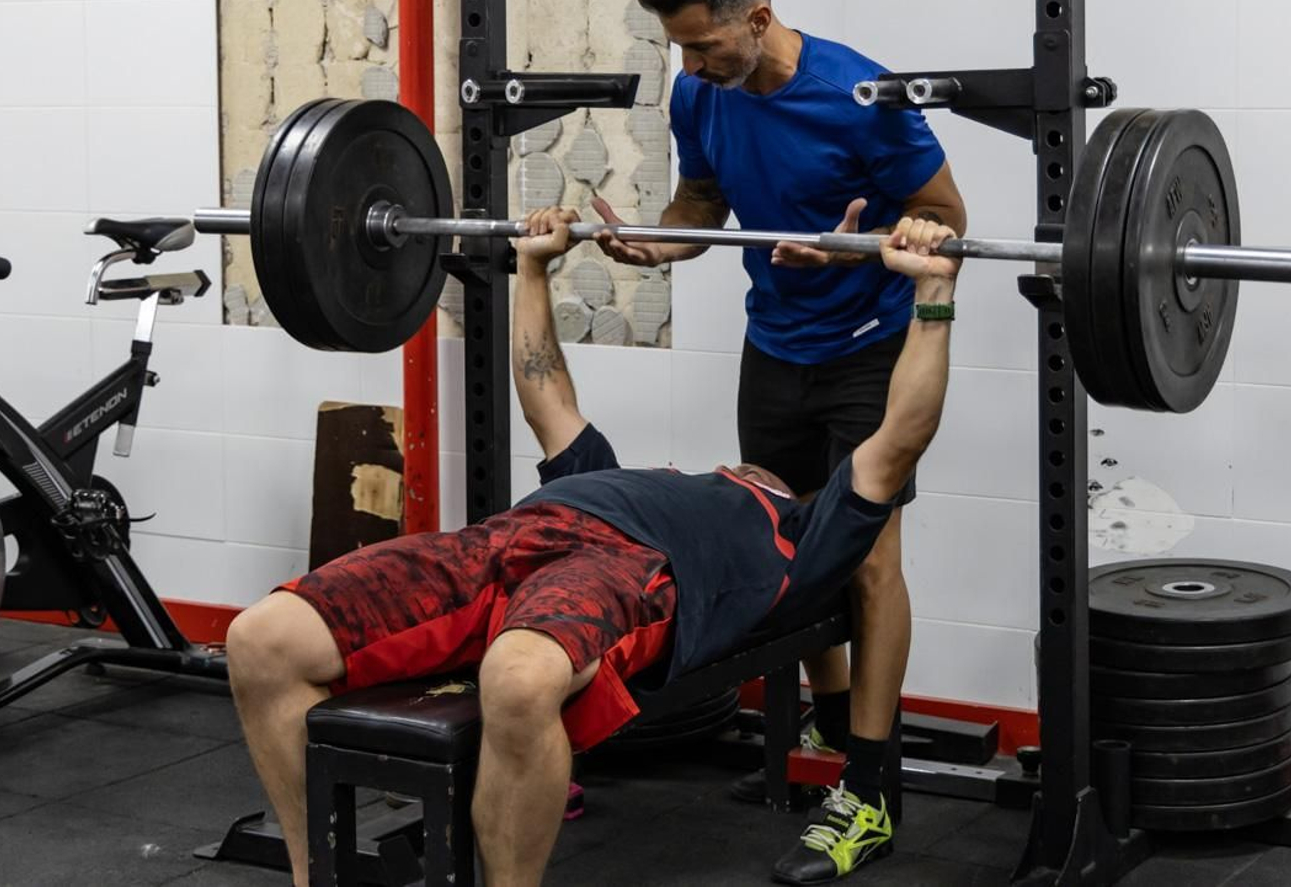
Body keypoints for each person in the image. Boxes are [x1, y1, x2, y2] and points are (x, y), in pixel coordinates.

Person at [225, 206, 961, 887]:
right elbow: (545, 391)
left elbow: (899, 438)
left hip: (625, 569)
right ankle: (314, 874)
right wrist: (534, 266)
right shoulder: (609, 473)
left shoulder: (800, 532)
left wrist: (932, 296)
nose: (746, 464)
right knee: (260, 639)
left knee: (518, 678)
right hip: (503, 538)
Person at [596, 0, 967, 883]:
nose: (690, 61)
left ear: (757, 17)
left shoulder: (858, 95)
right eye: (679, 44)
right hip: (776, 349)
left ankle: (873, 790)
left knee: (870, 562)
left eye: (704, 43)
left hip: (868, 352)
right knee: (791, 555)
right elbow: (702, 202)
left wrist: (857, 242)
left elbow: (947, 220)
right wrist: (653, 243)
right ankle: (839, 733)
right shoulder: (699, 93)